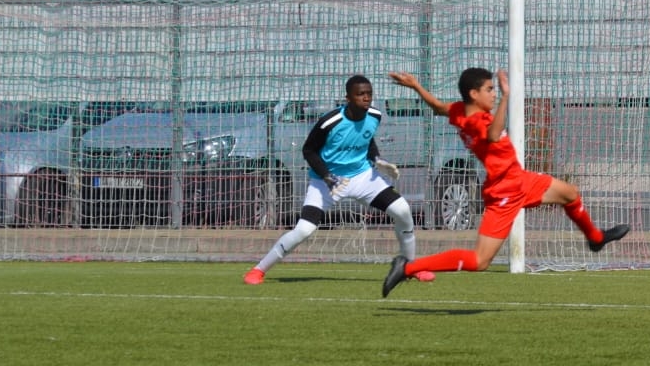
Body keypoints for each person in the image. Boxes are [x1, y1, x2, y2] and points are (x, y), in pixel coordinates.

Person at [380, 68, 630, 297]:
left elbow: (437, 107)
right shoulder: (480, 121)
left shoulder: (459, 111)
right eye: (489, 90)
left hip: (520, 179)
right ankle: (408, 267)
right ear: (474, 93)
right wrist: (507, 97)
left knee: (570, 193)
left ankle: (596, 238)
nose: (493, 94)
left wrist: (416, 85)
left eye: (494, 90)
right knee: (480, 261)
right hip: (505, 191)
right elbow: (491, 135)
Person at [244, 75, 431, 285]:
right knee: (304, 230)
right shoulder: (330, 121)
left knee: (403, 210)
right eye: (360, 94)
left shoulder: (375, 116)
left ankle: (410, 267)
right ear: (348, 98)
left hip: (363, 177)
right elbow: (309, 150)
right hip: (325, 183)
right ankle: (258, 270)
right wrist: (327, 176)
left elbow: (367, 139)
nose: (366, 98)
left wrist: (377, 160)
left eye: (369, 93)